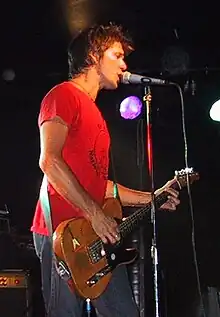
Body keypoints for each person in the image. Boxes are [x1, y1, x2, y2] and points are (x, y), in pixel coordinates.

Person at [31, 23, 180, 317]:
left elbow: (101, 185)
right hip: (64, 233)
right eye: (116, 55)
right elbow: (49, 160)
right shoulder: (64, 95)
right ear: (93, 56)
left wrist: (153, 197)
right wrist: (95, 214)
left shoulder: (96, 115)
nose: (124, 65)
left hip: (97, 234)